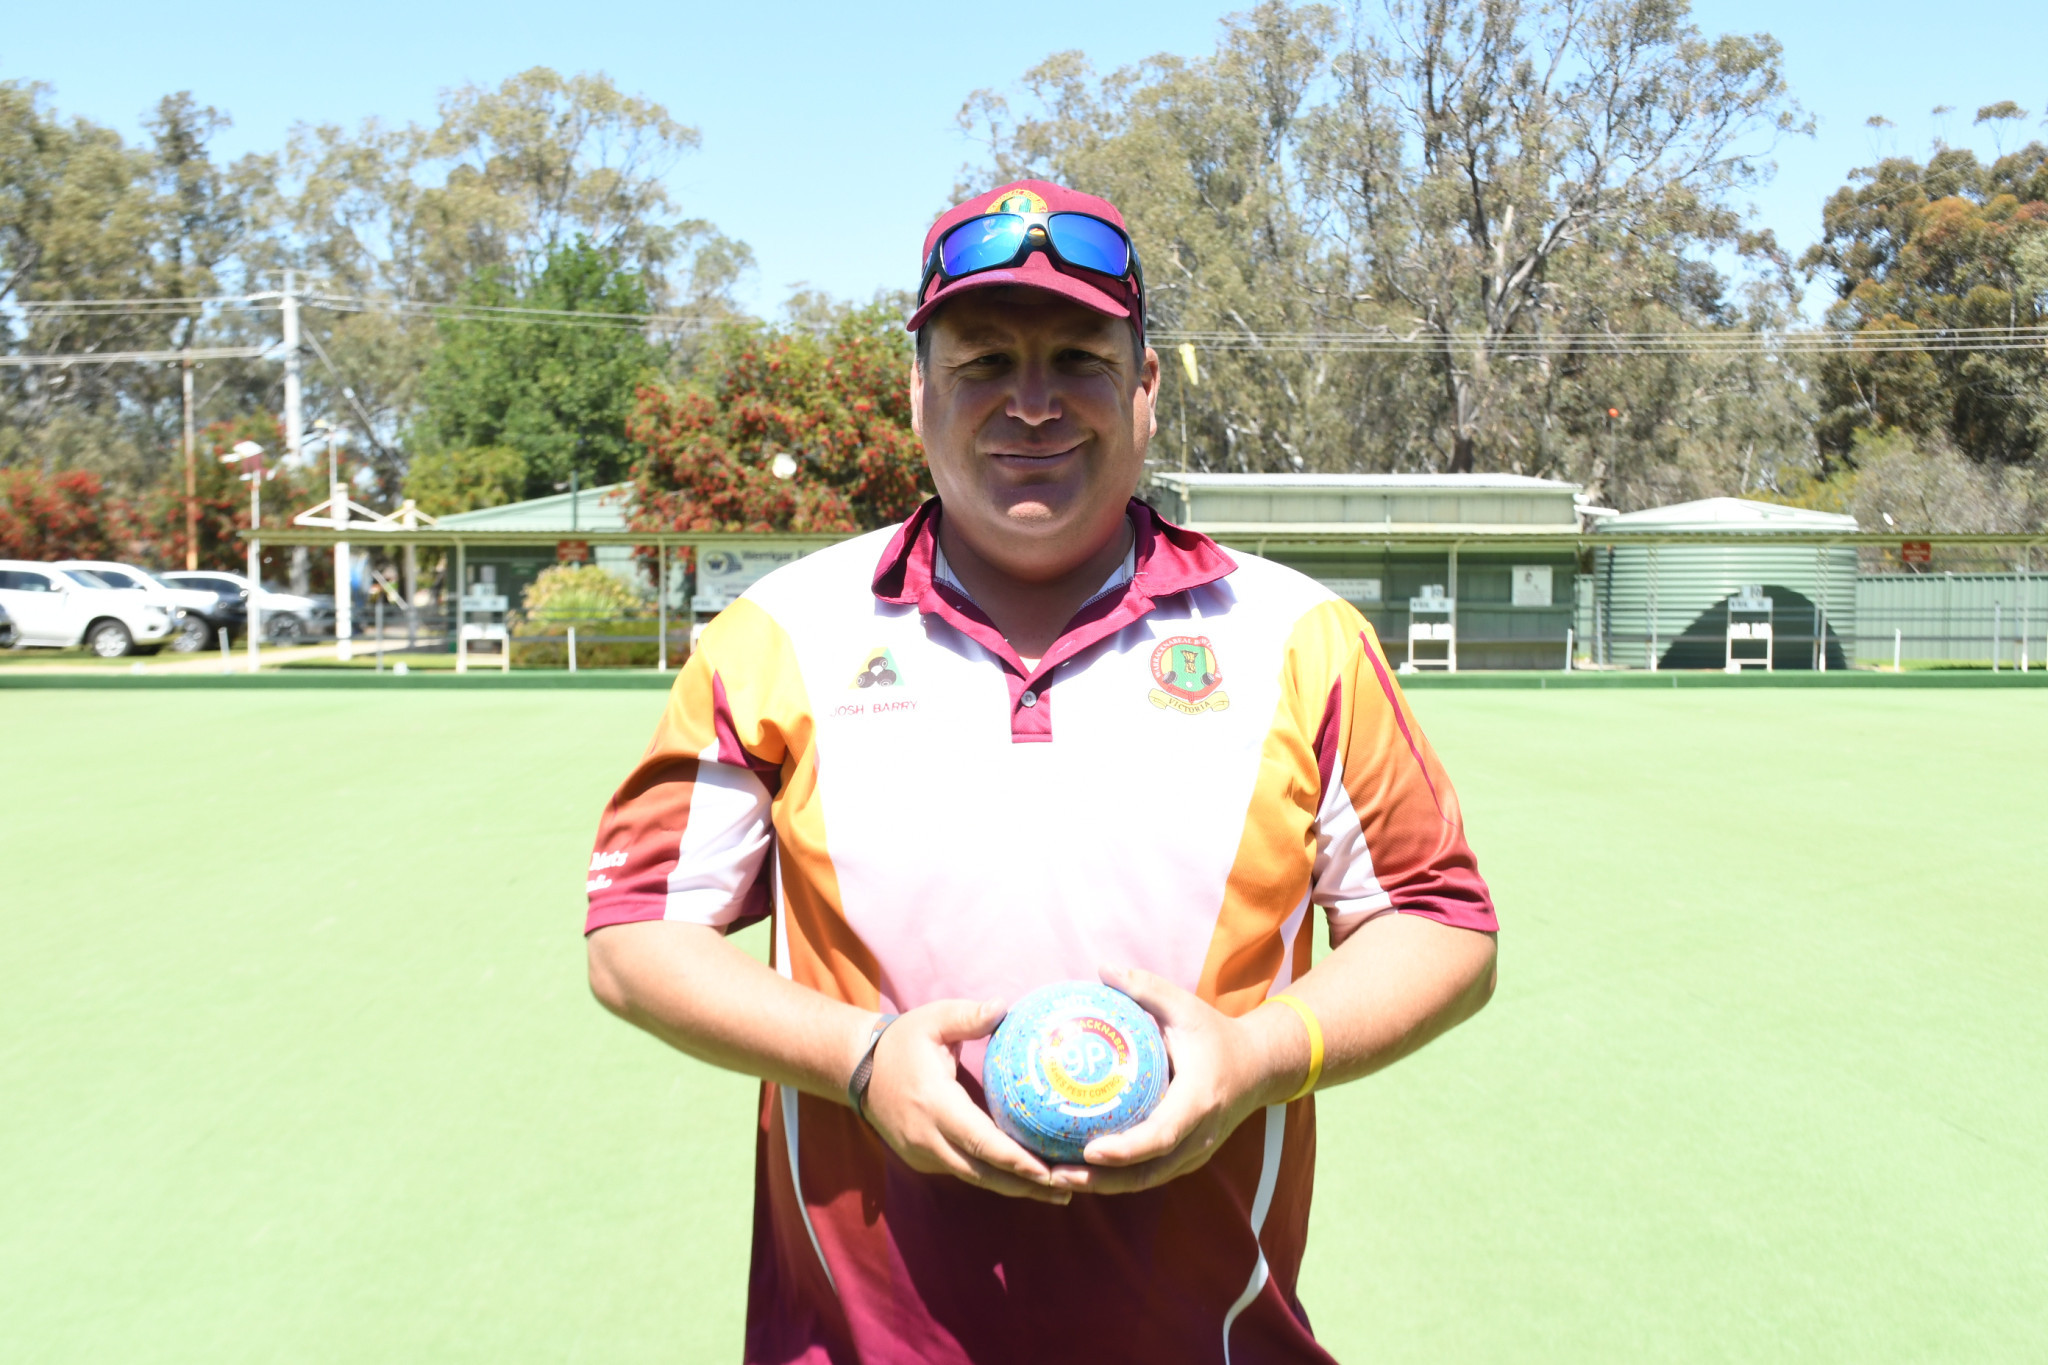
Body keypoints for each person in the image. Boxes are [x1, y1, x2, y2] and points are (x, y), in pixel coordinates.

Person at [585, 179, 1498, 1363]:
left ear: (1145, 388)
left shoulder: (1298, 638)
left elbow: (1441, 924)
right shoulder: (776, 636)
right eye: (980, 362)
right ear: (917, 391)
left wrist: (1255, 1059)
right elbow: (631, 939)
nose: (1030, 403)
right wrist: (859, 1065)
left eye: (1075, 357)